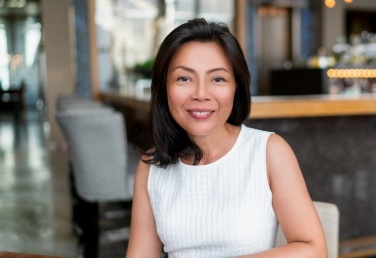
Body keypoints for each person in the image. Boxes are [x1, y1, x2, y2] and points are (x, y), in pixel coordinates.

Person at [126, 18, 327, 257]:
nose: (201, 94)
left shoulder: (268, 151)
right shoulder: (152, 166)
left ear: (236, 87)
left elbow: (313, 249)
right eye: (184, 78)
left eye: (218, 79)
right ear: (164, 87)